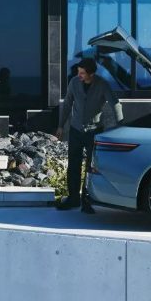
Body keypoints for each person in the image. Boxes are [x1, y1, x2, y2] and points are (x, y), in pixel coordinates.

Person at [55, 58, 124, 213]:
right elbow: (67, 103)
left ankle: (87, 201)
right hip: (75, 130)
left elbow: (115, 103)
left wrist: (121, 125)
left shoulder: (102, 84)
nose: (78, 75)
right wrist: (60, 125)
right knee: (73, 165)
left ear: (91, 74)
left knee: (91, 167)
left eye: (82, 73)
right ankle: (73, 198)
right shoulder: (74, 82)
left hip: (94, 131)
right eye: (78, 71)